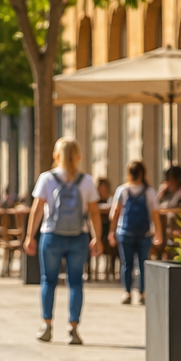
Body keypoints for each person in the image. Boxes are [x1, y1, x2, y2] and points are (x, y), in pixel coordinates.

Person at [23, 137, 103, 345]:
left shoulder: (46, 179)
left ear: (55, 156)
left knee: (48, 281)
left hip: (51, 235)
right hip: (78, 236)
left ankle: (47, 326)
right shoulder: (86, 181)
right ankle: (73, 328)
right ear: (78, 156)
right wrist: (97, 238)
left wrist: (30, 236)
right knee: (76, 283)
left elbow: (37, 209)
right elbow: (94, 213)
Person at [110, 161, 156, 305]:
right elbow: (155, 213)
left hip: (125, 232)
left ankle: (127, 292)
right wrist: (158, 232)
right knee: (143, 264)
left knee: (126, 264)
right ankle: (142, 293)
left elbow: (115, 214)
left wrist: (111, 231)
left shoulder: (122, 190)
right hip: (145, 233)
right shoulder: (149, 191)